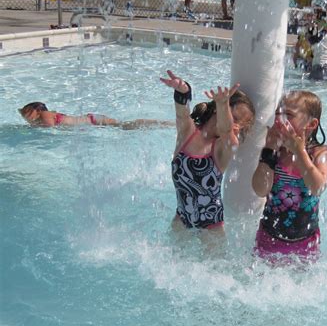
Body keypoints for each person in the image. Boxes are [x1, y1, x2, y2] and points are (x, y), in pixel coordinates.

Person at [160, 70, 255, 230]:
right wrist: (183, 91)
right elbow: (182, 113)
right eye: (236, 119)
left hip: (212, 230)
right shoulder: (188, 133)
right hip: (180, 221)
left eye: (241, 125)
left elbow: (226, 130)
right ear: (218, 109)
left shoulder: (225, 147)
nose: (236, 126)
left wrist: (224, 104)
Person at [252, 90, 327, 260]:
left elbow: (318, 187)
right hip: (269, 238)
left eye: (288, 115)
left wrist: (299, 151)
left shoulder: (319, 153)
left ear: (311, 124)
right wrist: (269, 149)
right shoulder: (274, 152)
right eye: (278, 114)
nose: (279, 120)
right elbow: (260, 189)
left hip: (305, 243)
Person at [18, 102, 164, 129]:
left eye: (26, 112)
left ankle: (159, 124)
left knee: (126, 126)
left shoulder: (45, 114)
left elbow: (49, 127)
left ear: (36, 110)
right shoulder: (46, 115)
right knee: (124, 126)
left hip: (94, 121)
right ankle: (158, 124)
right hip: (92, 120)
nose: (25, 116)